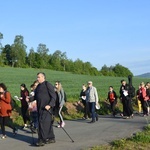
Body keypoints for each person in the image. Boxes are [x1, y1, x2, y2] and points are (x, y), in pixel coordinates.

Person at [34, 72, 56, 146]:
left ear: (43, 77)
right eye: (37, 77)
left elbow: (54, 96)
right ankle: (51, 138)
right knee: (47, 123)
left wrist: (50, 105)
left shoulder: (47, 85)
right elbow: (36, 96)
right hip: (40, 108)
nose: (37, 78)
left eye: (39, 77)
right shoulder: (38, 87)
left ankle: (42, 140)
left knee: (42, 124)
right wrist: (29, 99)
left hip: (46, 108)